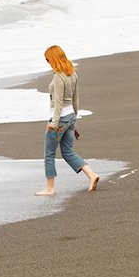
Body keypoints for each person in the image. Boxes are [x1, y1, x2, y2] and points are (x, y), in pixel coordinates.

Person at [35, 45, 100, 196]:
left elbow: (58, 102)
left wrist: (54, 123)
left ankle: (50, 188)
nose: (47, 62)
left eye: (48, 59)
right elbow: (76, 100)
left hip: (60, 120)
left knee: (49, 153)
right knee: (68, 151)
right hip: (70, 117)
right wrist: (74, 120)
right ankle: (92, 175)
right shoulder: (72, 73)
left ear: (54, 59)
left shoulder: (58, 77)